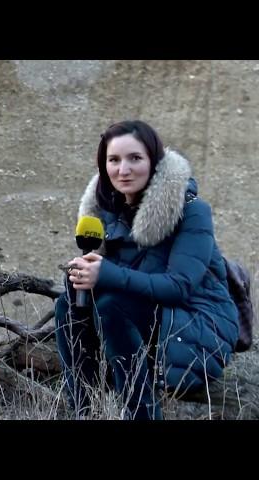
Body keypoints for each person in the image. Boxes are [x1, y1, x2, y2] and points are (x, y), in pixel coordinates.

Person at [55, 120, 239, 420]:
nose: (123, 170)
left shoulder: (192, 211)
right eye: (113, 160)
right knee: (66, 305)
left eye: (134, 158)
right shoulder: (104, 213)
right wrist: (80, 277)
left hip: (195, 320)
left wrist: (106, 275)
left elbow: (179, 286)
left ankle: (141, 414)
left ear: (154, 161)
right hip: (135, 319)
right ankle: (84, 410)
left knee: (113, 305)